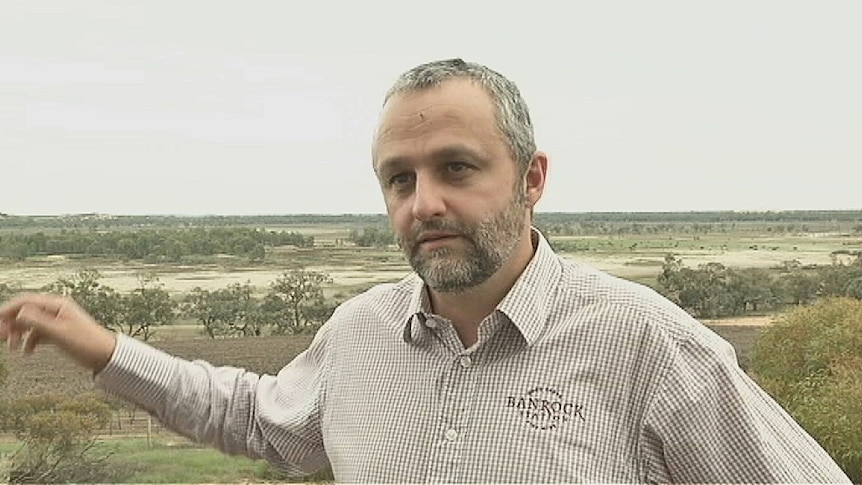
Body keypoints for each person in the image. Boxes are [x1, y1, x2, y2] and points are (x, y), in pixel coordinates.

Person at [0, 58, 851, 484]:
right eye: (398, 179)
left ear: (532, 178)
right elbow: (255, 416)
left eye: (456, 167)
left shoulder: (645, 343)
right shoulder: (362, 332)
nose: (424, 202)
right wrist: (104, 347)